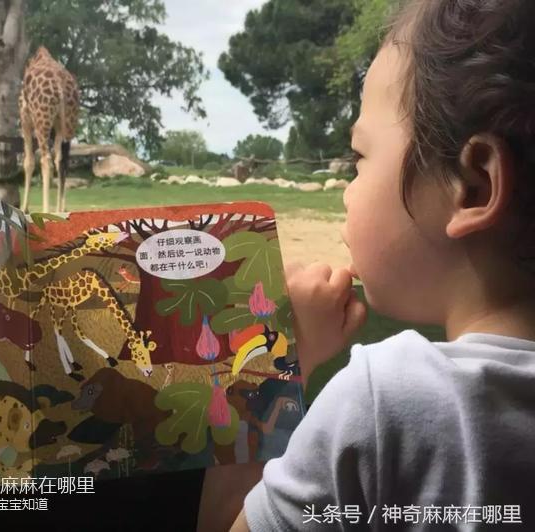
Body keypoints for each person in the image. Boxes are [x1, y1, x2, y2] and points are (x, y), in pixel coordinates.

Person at [227, 0, 535, 530]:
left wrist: (279, 368)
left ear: (474, 186)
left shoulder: (383, 400)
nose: (348, 193)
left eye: (360, 159)